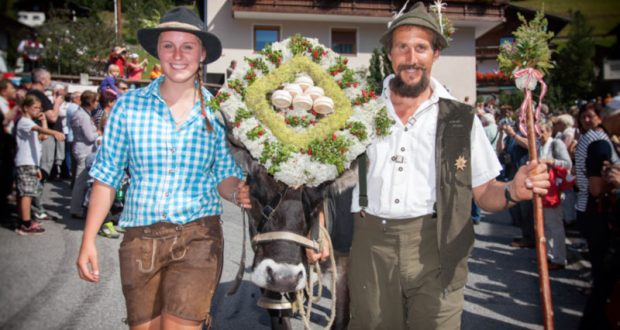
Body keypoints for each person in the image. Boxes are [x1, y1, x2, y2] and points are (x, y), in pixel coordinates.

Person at [346, 3, 550, 329]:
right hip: (372, 247)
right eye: (402, 46)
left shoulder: (460, 118)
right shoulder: (360, 112)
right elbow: (325, 177)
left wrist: (513, 189)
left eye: (421, 47)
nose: (411, 57)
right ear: (390, 54)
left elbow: (483, 192)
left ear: (435, 54)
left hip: (440, 249)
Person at [76, 7, 251, 329]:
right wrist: (88, 240)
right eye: (169, 45)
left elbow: (224, 175)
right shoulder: (129, 106)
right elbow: (106, 176)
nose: (178, 54)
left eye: (188, 46)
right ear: (157, 51)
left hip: (199, 236)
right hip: (139, 239)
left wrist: (239, 192)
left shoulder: (217, 112)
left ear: (202, 54)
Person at [574, 102, 620, 329]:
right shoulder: (598, 142)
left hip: (595, 211)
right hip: (596, 212)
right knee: (604, 279)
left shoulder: (599, 141)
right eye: (584, 117)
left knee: (603, 279)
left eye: (591, 116)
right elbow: (595, 188)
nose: (587, 120)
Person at [14, 95, 65, 235]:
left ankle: (25, 220)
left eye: (39, 108)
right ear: (26, 108)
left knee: (27, 192)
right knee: (26, 193)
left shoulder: (31, 123)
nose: (38, 111)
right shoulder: (25, 121)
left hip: (31, 163)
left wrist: (44, 121)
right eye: (35, 108)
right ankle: (25, 224)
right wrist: (55, 131)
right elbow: (40, 131)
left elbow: (43, 136)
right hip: (25, 162)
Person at [539, 119, 572, 270]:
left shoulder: (555, 144)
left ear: (549, 131)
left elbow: (567, 164)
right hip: (542, 190)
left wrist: (551, 161)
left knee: (555, 226)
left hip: (553, 191)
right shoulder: (540, 144)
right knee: (545, 225)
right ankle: (548, 256)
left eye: (542, 131)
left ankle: (559, 258)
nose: (539, 135)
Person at [69, 91, 99, 219]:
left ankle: (77, 207)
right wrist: (98, 132)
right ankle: (75, 209)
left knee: (81, 180)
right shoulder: (83, 116)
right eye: (96, 101)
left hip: (81, 149)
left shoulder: (82, 113)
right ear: (91, 102)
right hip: (84, 150)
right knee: (80, 181)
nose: (97, 104)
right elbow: (90, 137)